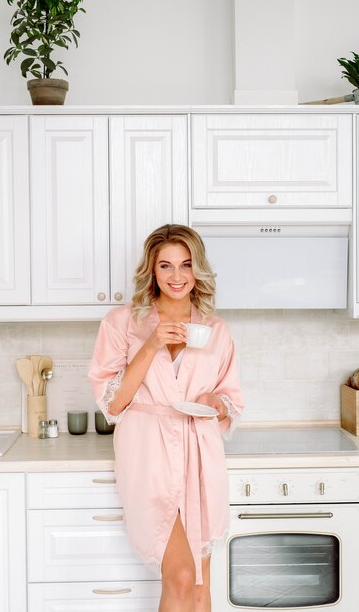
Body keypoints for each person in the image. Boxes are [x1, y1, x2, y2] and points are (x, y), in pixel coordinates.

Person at [89, 224, 243, 612]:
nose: (177, 276)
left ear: (198, 270)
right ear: (152, 271)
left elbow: (232, 399)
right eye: (166, 266)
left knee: (198, 584)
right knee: (179, 575)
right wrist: (154, 342)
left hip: (199, 452)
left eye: (186, 265)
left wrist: (216, 402)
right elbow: (113, 403)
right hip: (147, 451)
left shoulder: (216, 330)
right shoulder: (122, 322)